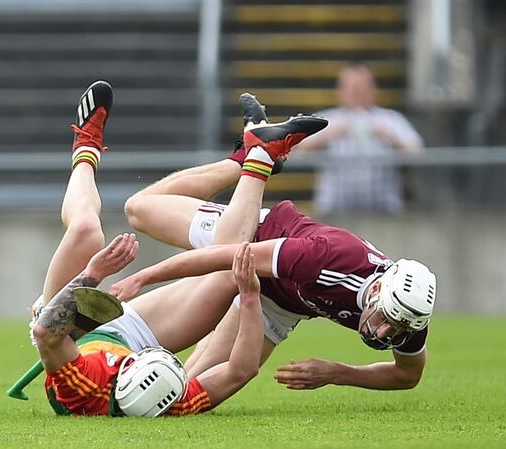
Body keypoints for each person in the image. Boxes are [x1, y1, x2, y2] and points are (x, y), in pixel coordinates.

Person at [29, 81, 325, 416]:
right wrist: (250, 294)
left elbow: (46, 333)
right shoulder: (175, 399)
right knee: (232, 265)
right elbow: (241, 370)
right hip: (130, 338)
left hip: (63, 332)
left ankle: (86, 147)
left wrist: (93, 274)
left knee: (86, 232)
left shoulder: (82, 384)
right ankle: (255, 155)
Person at [114, 93, 437, 391]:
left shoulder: (408, 312)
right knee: (139, 210)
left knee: (186, 390)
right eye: (385, 320)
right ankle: (253, 160)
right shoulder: (327, 259)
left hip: (279, 307)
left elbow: (407, 374)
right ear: (378, 290)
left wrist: (335, 373)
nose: (383, 333)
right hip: (259, 236)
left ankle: (256, 153)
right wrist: (143, 277)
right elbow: (228, 257)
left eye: (393, 329)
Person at [294, 63, 424, 214]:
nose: (358, 92)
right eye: (352, 88)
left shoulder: (391, 120)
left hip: (384, 210)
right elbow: (296, 152)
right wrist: (325, 136)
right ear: (340, 92)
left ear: (373, 90)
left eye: (363, 87)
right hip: (334, 211)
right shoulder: (325, 120)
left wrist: (391, 137)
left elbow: (417, 154)